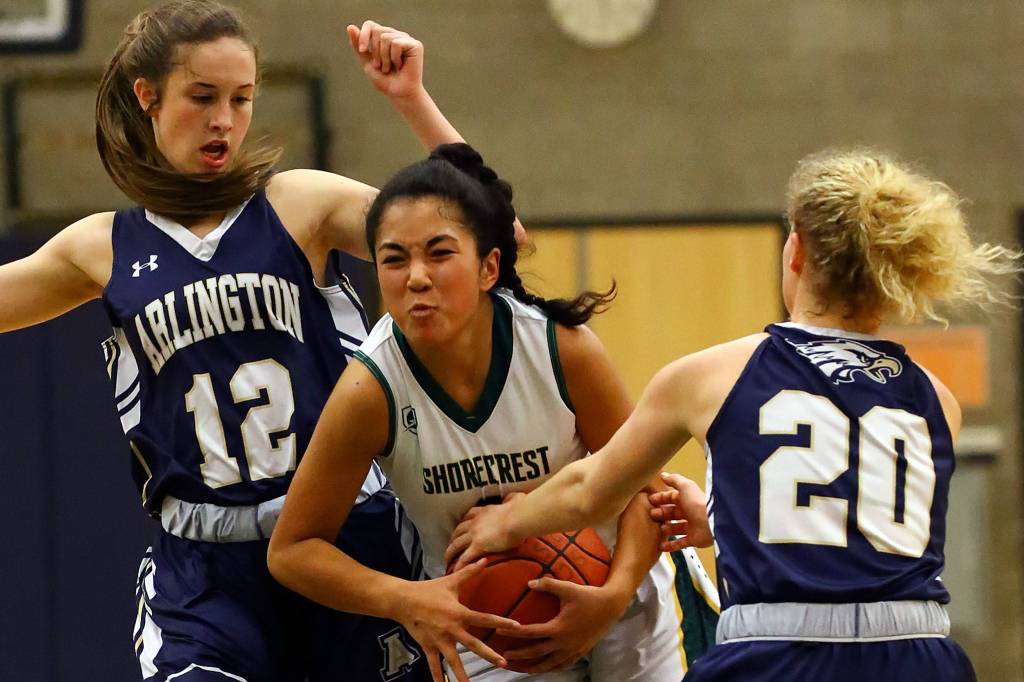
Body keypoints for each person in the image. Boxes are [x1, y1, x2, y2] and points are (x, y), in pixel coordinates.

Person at [0, 1, 476, 680]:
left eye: (242, 98)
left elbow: (484, 239)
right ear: (148, 97)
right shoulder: (101, 247)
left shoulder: (299, 204)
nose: (225, 118)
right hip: (204, 571)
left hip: (344, 539)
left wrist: (413, 99)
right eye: (202, 97)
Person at [446, 149, 1022, 681]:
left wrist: (505, 524)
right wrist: (725, 521)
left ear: (795, 251)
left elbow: (590, 491)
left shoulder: (714, 374)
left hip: (779, 654)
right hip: (919, 652)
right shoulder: (936, 398)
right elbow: (860, 542)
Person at [267, 143, 720, 682]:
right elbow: (293, 550)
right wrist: (407, 600)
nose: (416, 277)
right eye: (394, 258)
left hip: (623, 588)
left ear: (488, 268)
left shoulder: (559, 348)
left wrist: (611, 597)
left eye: (439, 253)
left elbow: (649, 493)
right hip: (482, 621)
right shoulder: (368, 390)